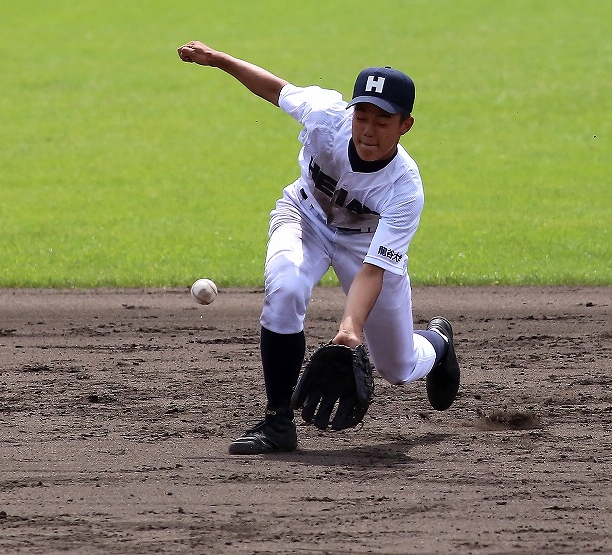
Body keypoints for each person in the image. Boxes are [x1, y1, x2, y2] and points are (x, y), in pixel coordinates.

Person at [177, 41, 460, 454]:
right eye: (362, 115)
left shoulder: (404, 188)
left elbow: (373, 270)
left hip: (363, 244)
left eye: (383, 121)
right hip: (303, 216)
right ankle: (277, 422)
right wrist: (219, 60)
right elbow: (274, 89)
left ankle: (438, 343)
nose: (367, 129)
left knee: (397, 367)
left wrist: (350, 329)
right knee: (286, 287)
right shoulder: (326, 114)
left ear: (406, 125)